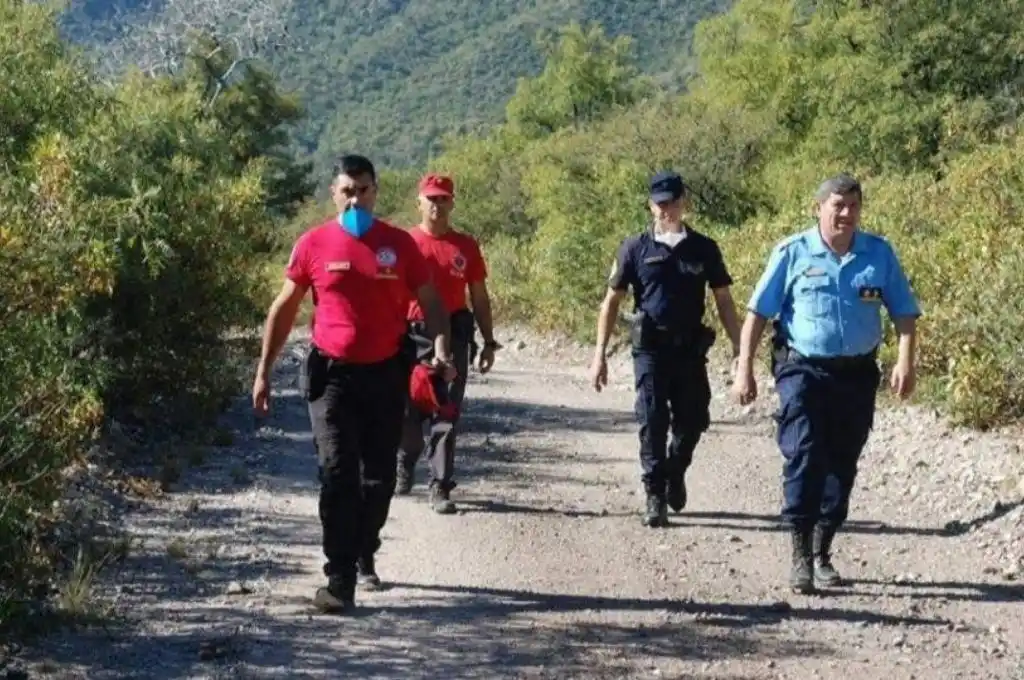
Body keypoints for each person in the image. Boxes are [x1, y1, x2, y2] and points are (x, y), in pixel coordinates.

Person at [251, 154, 454, 614]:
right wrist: (264, 369)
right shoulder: (313, 244)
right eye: (347, 190)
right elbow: (283, 309)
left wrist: (441, 349)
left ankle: (365, 548)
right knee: (338, 472)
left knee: (378, 478)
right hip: (333, 376)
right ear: (334, 192)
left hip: (386, 374)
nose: (354, 199)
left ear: (375, 191)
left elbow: (431, 302)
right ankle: (339, 577)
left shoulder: (400, 245)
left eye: (363, 190)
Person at [732, 173, 921, 594]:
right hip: (803, 369)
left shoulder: (878, 254)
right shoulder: (793, 252)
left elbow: (904, 312)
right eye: (838, 205)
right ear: (819, 207)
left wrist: (905, 361)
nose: (846, 214)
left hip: (856, 373)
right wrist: (743, 366)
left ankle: (822, 548)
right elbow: (757, 314)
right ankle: (800, 550)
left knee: (842, 460)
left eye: (853, 205)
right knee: (805, 451)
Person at [591, 170, 742, 528]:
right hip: (651, 350)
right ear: (650, 205)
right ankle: (655, 493)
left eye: (672, 202)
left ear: (683, 203)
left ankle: (676, 468)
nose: (666, 210)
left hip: (690, 349)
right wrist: (599, 354)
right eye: (660, 204)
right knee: (652, 420)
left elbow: (723, 300)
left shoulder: (704, 248)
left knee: (694, 420)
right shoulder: (634, 248)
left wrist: (740, 350)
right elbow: (611, 302)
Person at [396, 173, 499, 514]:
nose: (437, 205)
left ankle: (440, 484)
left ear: (452, 202)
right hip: (412, 332)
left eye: (444, 198)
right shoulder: (405, 243)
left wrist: (488, 340)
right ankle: (405, 459)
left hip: (454, 331)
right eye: (431, 198)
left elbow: (479, 296)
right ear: (419, 202)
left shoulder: (465, 246)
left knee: (446, 408)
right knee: (409, 409)